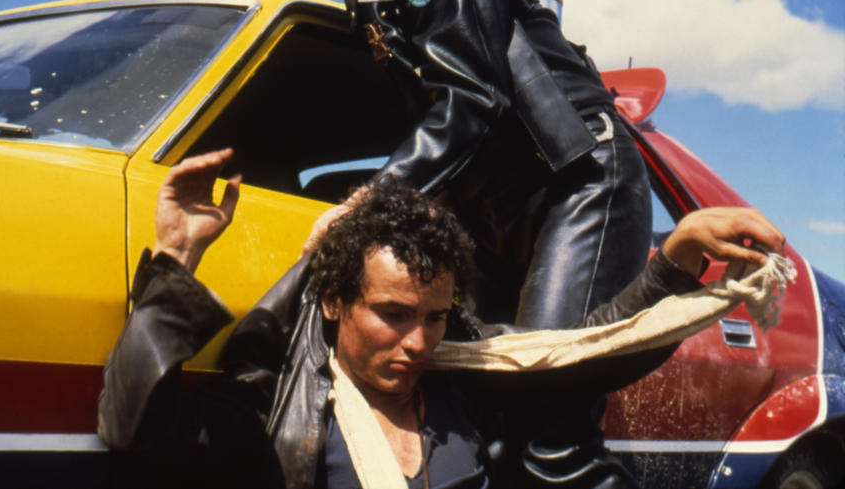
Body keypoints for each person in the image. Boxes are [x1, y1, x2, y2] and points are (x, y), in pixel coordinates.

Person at [272, 0, 652, 483]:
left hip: (580, 186)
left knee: (547, 428)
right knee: (489, 425)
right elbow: (431, 124)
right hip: (494, 207)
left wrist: (366, 204)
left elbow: (470, 102)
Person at [97, 149, 786, 489]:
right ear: (334, 300)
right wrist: (175, 259)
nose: (419, 341)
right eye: (393, 314)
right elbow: (138, 430)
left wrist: (674, 256)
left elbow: (583, 355)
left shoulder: (463, 381)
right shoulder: (278, 404)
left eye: (435, 316)